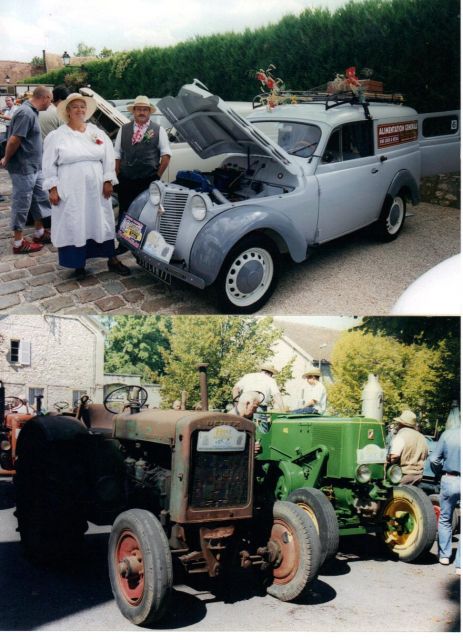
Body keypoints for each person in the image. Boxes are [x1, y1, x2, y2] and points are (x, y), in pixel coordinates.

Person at [42, 92, 131, 279]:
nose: (80, 110)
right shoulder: (57, 136)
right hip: (70, 187)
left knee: (101, 219)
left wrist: (108, 180)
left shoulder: (96, 133)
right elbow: (48, 164)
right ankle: (78, 263)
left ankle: (111, 259)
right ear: (67, 111)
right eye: (75, 107)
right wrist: (53, 188)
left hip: (96, 187)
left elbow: (108, 157)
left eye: (83, 106)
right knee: (75, 220)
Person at [114, 95, 171, 253]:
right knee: (126, 210)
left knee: (146, 212)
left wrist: (156, 176)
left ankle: (146, 244)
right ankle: (126, 244)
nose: (141, 112)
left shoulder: (158, 130)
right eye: (138, 109)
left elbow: (166, 156)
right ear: (133, 111)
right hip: (126, 178)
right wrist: (117, 175)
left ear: (149, 112)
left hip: (147, 179)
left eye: (144, 109)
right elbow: (117, 154)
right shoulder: (124, 129)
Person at [0, 85, 52, 254]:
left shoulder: (32, 112)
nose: (50, 104)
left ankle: (39, 232)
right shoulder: (26, 113)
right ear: (44, 98)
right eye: (50, 100)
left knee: (40, 198)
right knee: (22, 202)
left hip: (34, 166)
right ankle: (18, 242)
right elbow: (14, 140)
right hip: (23, 167)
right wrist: (7, 159)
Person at [429, 425, 461, 574]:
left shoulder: (448, 434)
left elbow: (434, 459)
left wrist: (439, 472)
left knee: (445, 518)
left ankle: (445, 556)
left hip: (450, 478)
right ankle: (460, 565)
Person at [387, 410, 428, 485]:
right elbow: (425, 455)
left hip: (402, 476)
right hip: (418, 475)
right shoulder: (422, 437)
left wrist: (386, 462)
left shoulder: (401, 436)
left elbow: (394, 456)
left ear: (401, 424)